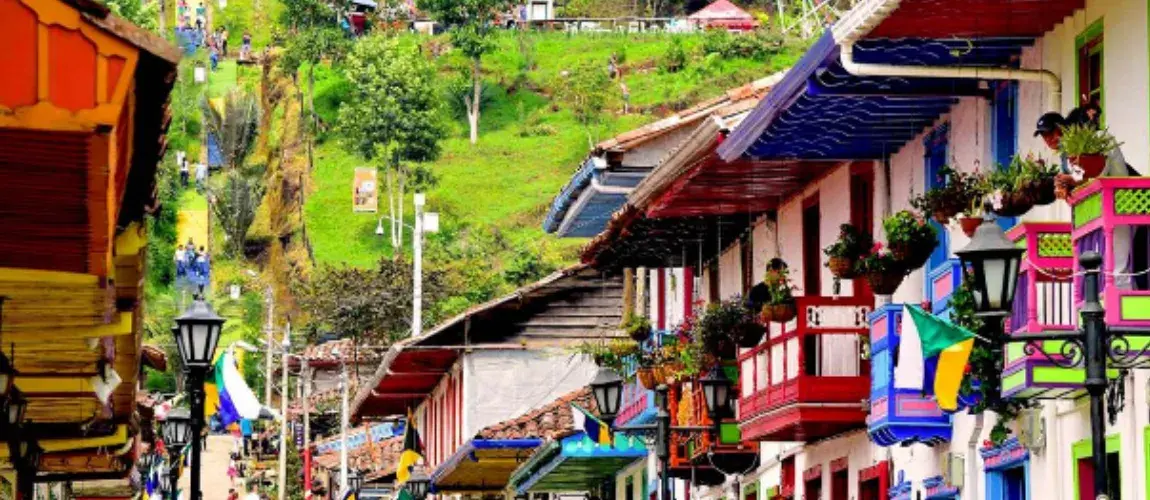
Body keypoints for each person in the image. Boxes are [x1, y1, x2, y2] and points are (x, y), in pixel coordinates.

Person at [1036, 106, 1143, 289]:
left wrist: (1072, 180)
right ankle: (1110, 299)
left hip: (1124, 203)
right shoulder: (1069, 153)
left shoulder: (1101, 139)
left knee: (1120, 262)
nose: (1049, 139)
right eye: (1045, 136)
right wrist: (1065, 187)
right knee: (1108, 262)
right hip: (1104, 209)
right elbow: (1081, 178)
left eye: (1052, 133)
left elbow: (1097, 172)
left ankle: (1120, 302)